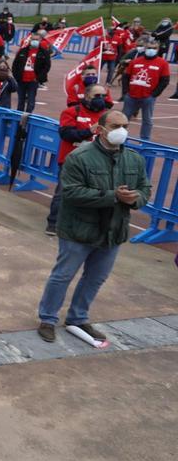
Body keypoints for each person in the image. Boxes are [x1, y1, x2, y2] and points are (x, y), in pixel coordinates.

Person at [36, 111, 150, 343]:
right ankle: (48, 319)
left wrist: (135, 198)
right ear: (100, 129)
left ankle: (78, 317)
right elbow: (70, 192)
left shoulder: (134, 159)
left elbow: (145, 189)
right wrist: (113, 196)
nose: (122, 130)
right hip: (79, 230)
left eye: (125, 125)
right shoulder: (79, 157)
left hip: (113, 231)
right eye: (115, 125)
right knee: (63, 275)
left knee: (96, 278)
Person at [46, 84, 110, 236]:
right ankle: (53, 223)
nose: (100, 99)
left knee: (92, 195)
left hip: (96, 163)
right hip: (71, 161)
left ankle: (82, 225)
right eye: (97, 96)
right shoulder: (71, 112)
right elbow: (67, 135)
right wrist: (89, 131)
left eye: (103, 96)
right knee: (63, 193)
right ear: (87, 96)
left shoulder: (107, 116)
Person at [120, 37, 169, 141]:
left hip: (148, 97)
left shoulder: (162, 63)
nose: (151, 50)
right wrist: (125, 92)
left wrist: (154, 94)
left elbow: (165, 80)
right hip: (131, 96)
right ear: (145, 48)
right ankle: (120, 138)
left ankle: (144, 140)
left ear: (158, 49)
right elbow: (126, 77)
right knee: (124, 119)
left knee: (147, 120)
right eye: (149, 47)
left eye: (154, 48)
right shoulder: (135, 61)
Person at [12, 35, 50, 113]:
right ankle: (19, 118)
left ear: (40, 41)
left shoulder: (43, 52)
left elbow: (46, 66)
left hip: (33, 80)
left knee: (31, 101)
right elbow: (15, 64)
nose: (34, 41)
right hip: (21, 79)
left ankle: (28, 117)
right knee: (20, 101)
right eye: (33, 39)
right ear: (30, 40)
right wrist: (16, 76)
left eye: (37, 39)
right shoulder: (23, 51)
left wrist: (39, 78)